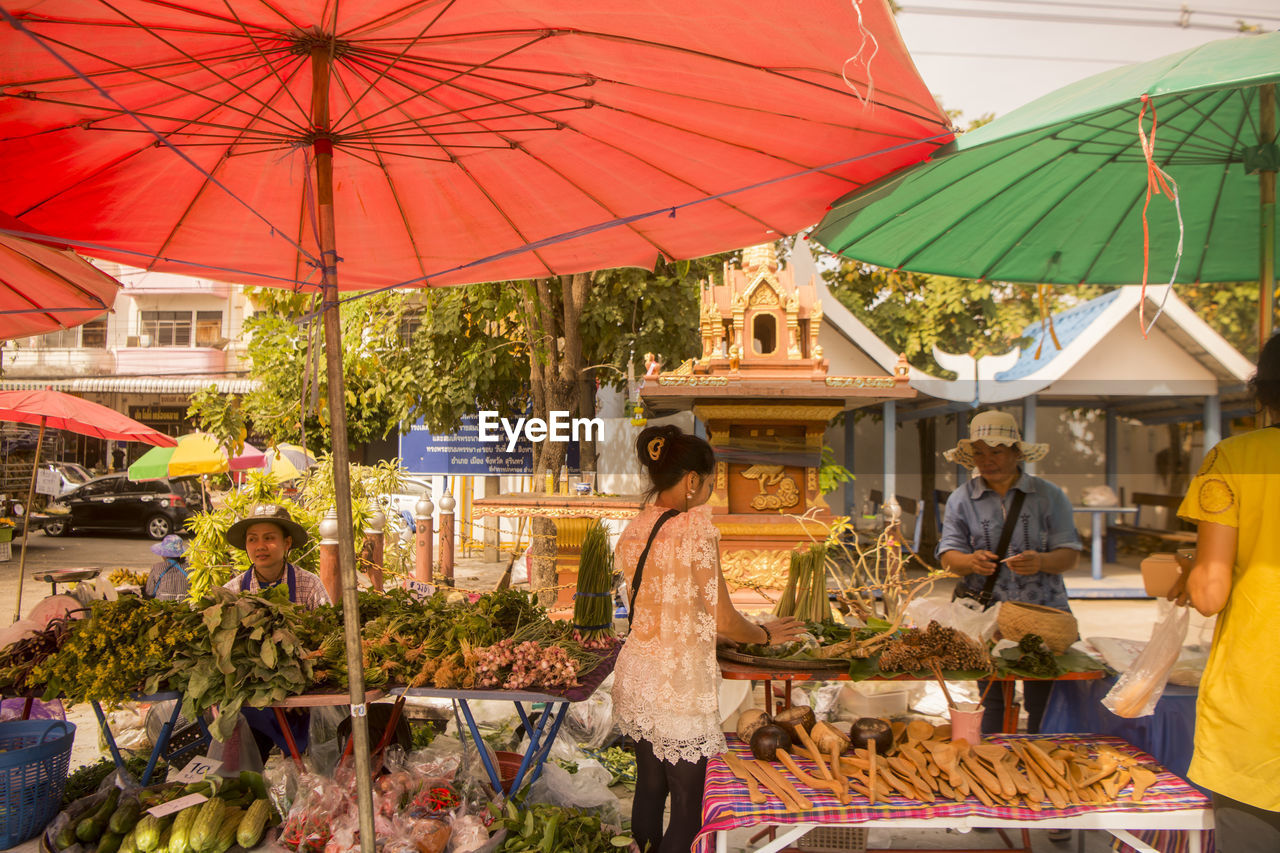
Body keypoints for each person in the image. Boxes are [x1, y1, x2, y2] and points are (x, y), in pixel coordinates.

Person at [612, 424, 805, 853]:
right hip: (678, 683)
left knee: (649, 787)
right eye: (712, 483)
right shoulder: (694, 529)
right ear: (692, 480)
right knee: (687, 804)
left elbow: (653, 608)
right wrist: (763, 635)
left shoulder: (634, 528)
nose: (712, 494)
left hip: (638, 671)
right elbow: (724, 618)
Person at [1168, 333, 1280, 850]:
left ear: (1264, 394)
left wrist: (1191, 565)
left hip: (1259, 715)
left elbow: (1209, 594)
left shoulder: (1235, 459)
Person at [936, 410, 1082, 735]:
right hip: (986, 618)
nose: (987, 460)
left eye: (996, 451)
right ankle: (993, 762)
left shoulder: (1049, 496)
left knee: (1043, 699)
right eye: (979, 453)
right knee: (992, 699)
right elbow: (947, 557)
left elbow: (1069, 554)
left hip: (1042, 615)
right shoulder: (962, 499)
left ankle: (1040, 760)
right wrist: (970, 562)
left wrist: (1042, 561)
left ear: (1017, 452)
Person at [223, 503, 329, 760]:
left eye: (269, 538)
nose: (260, 546)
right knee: (242, 759)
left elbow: (328, 637)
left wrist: (299, 690)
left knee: (309, 758)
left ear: (287, 543)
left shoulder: (309, 584)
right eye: (253, 539)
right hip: (251, 700)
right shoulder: (233, 592)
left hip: (302, 698)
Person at [144, 534, 190, 601]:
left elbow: (150, 592)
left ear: (164, 554)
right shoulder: (191, 568)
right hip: (187, 605)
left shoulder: (157, 567)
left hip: (164, 605)